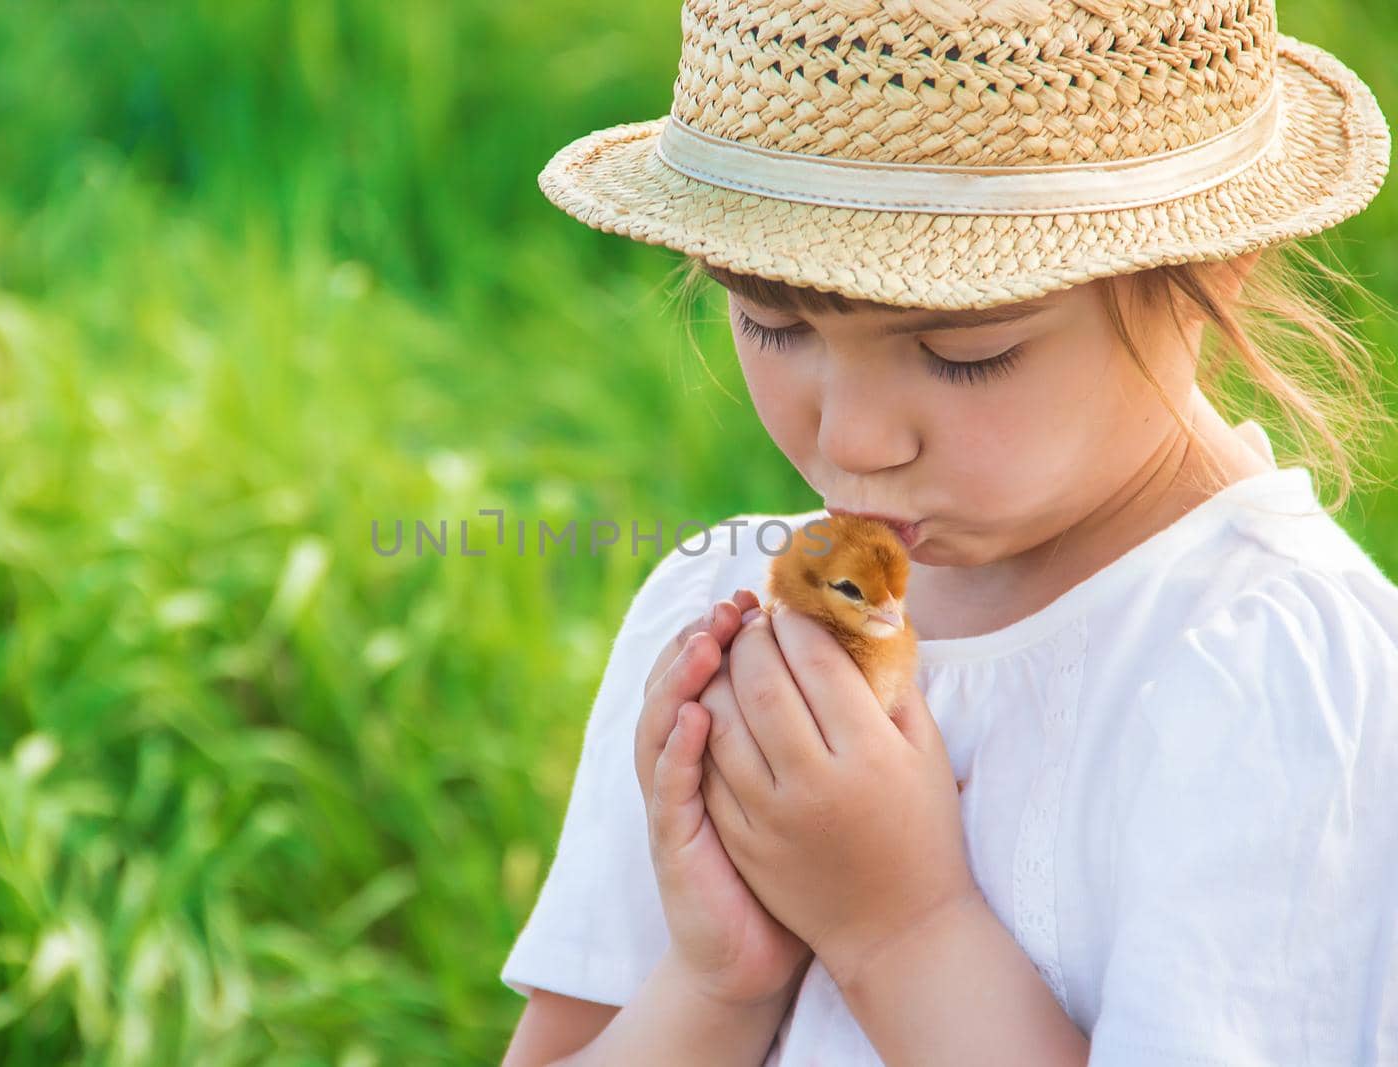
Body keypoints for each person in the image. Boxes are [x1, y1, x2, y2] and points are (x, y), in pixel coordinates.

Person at [500, 1, 1398, 1063]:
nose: (851, 437)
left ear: (1215, 265)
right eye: (772, 322)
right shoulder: (731, 609)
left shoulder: (1271, 679)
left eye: (962, 350)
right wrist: (715, 979)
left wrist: (900, 925)